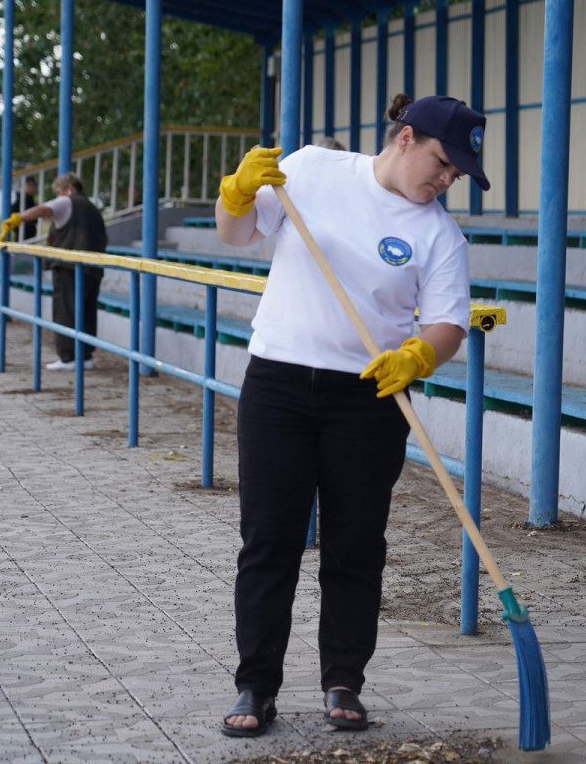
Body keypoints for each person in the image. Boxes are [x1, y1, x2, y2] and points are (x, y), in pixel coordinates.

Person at [215, 93, 489, 737]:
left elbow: (449, 323)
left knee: (356, 545)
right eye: (443, 163)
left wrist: (420, 355)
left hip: (370, 395)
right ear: (407, 137)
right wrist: (237, 193)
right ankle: (256, 685)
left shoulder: (439, 234)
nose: (447, 179)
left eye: (457, 174)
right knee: (269, 541)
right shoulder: (311, 169)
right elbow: (237, 234)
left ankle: (344, 681)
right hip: (278, 385)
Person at [1, 172, 108, 371]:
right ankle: (85, 356)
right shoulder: (92, 207)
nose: (58, 196)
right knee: (87, 311)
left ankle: (68, 357)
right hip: (93, 268)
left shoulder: (66, 201)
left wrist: (18, 218)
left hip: (69, 267)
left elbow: (43, 209)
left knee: (65, 311)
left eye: (59, 191)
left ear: (69, 188)